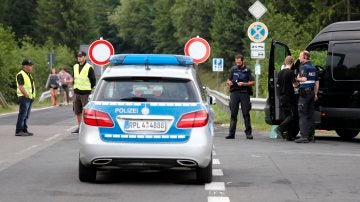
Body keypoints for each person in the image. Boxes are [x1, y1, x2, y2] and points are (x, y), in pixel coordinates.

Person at [225, 54, 255, 139]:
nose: (238, 63)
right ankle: (231, 134)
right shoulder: (233, 69)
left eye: (239, 62)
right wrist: (229, 82)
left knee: (246, 113)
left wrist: (244, 83)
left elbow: (253, 82)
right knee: (233, 114)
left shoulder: (247, 70)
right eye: (236, 62)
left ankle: (248, 133)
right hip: (234, 93)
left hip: (244, 93)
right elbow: (228, 79)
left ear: (243, 61)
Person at [295, 51, 319, 143]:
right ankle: (311, 136)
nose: (299, 58)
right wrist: (315, 94)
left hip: (304, 93)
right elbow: (317, 82)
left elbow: (304, 79)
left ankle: (304, 136)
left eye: (300, 56)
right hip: (312, 92)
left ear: (305, 57)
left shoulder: (303, 67)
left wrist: (297, 78)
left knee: (303, 114)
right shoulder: (313, 67)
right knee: (310, 114)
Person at [275, 56, 299, 141]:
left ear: (285, 62)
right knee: (292, 115)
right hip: (289, 97)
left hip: (281, 97)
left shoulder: (280, 73)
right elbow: (294, 85)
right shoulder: (291, 72)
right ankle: (280, 128)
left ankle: (289, 136)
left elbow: (278, 85)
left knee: (287, 116)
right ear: (292, 63)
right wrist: (297, 80)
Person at [71, 51, 96, 134]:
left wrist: (88, 89)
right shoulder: (75, 66)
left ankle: (86, 128)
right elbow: (74, 78)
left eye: (81, 56)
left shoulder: (89, 67)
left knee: (86, 112)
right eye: (78, 56)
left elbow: (93, 81)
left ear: (85, 57)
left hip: (85, 93)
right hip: (76, 92)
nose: (79, 58)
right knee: (77, 111)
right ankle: (79, 127)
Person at [15, 59, 36, 136]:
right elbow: (20, 86)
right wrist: (26, 95)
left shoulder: (28, 74)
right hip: (24, 97)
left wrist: (31, 96)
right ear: (25, 66)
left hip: (29, 97)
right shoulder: (21, 74)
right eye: (30, 65)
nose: (31, 67)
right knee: (22, 114)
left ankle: (24, 130)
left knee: (26, 115)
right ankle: (19, 130)